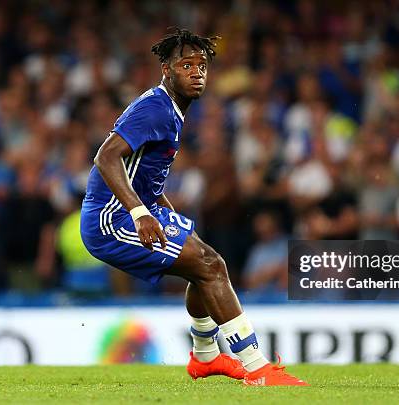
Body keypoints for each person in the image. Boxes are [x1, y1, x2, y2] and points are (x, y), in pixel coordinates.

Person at [80, 28, 306, 386]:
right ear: (167, 71)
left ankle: (205, 358)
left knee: (203, 264)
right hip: (111, 220)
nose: (197, 72)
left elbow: (146, 179)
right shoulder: (155, 108)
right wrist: (141, 213)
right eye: (186, 65)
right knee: (210, 265)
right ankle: (256, 367)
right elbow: (106, 158)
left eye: (202, 65)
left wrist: (162, 211)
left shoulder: (171, 110)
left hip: (132, 209)